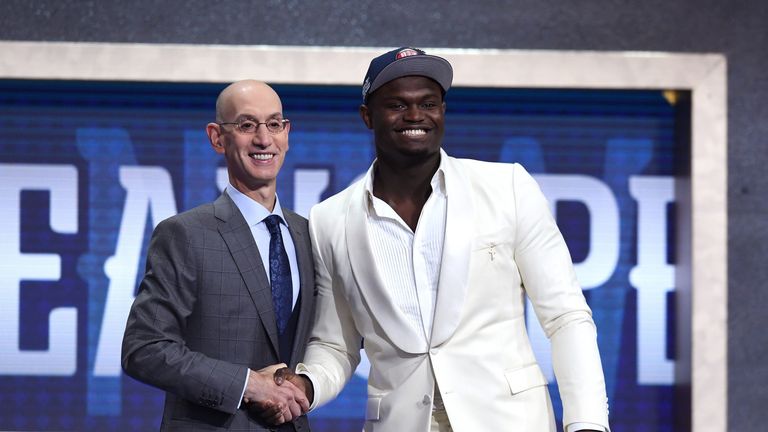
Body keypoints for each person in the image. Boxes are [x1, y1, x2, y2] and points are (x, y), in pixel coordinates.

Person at [276, 48, 611, 432]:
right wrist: (307, 383)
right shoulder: (329, 219)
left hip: (508, 420)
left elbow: (566, 315)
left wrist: (587, 423)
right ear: (367, 116)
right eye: (397, 104)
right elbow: (337, 345)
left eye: (429, 103)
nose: (416, 115)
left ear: (443, 112)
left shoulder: (508, 187)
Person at [122, 80, 314, 431]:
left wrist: (303, 385)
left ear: (286, 133)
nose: (263, 139)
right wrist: (247, 385)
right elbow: (144, 348)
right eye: (245, 125)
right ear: (216, 137)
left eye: (274, 124)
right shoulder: (186, 234)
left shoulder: (309, 235)